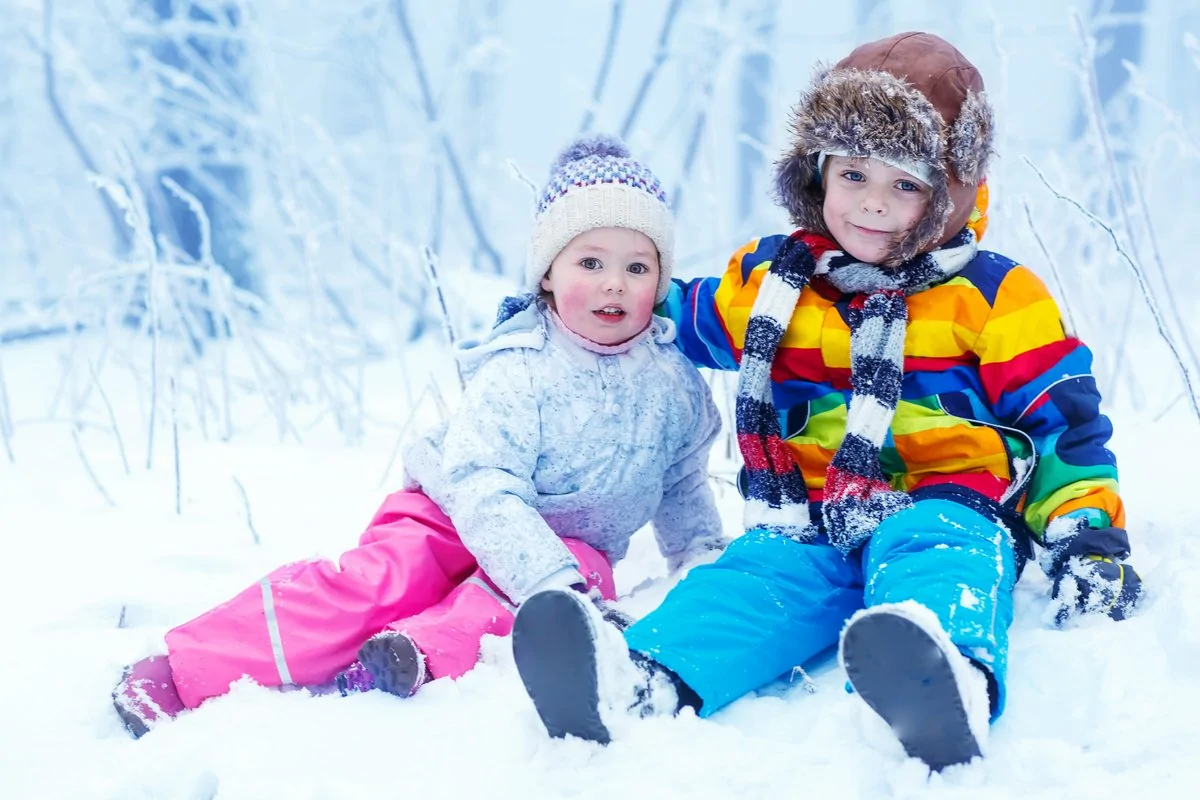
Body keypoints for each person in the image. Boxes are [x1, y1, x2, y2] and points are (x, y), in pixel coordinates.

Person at [511, 32, 1145, 772]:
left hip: (950, 501)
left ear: (952, 195)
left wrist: (1084, 535)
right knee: (756, 577)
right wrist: (598, 295)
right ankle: (636, 680)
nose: (873, 204)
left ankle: (943, 679)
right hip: (811, 514)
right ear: (816, 175)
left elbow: (1064, 424)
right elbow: (690, 316)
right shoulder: (776, 284)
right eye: (854, 175)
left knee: (937, 554)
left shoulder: (996, 297)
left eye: (907, 185)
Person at [112, 135, 724, 738]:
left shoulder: (673, 387)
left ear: (660, 283)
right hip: (448, 516)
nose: (614, 283)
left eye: (637, 267)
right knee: (377, 585)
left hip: (568, 547)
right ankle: (188, 667)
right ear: (546, 275)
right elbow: (482, 484)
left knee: (550, 609)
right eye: (590, 262)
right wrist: (543, 571)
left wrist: (700, 558)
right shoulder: (521, 367)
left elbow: (681, 483)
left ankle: (406, 656)